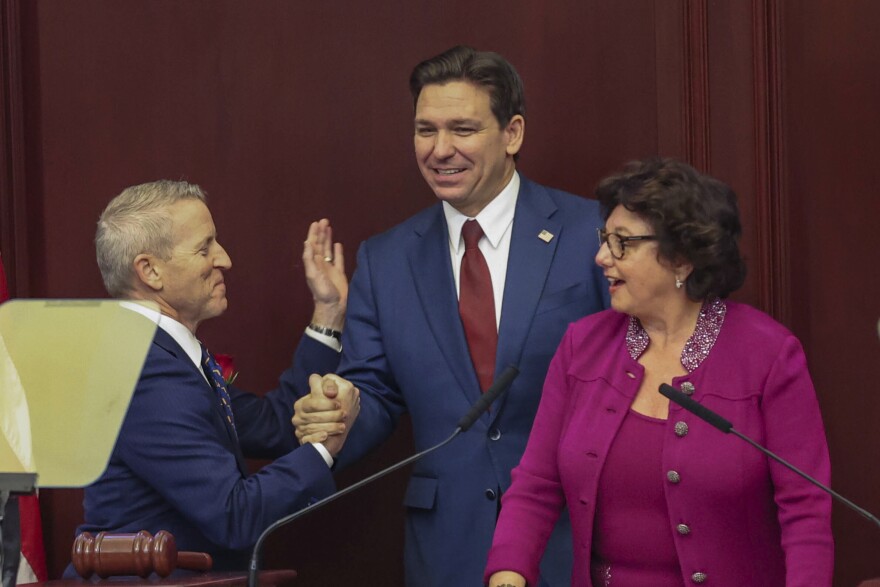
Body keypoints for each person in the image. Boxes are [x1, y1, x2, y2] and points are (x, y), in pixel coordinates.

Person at [293, 46, 608, 586]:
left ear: (512, 134)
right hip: (448, 547)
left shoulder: (590, 232)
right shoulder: (386, 258)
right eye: (425, 130)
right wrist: (341, 414)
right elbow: (376, 392)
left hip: (574, 535)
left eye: (462, 129)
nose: (440, 150)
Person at [484, 158, 833, 587]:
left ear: (682, 258)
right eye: (604, 239)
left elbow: (806, 511)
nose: (600, 257)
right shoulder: (582, 347)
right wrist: (508, 575)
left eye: (622, 243)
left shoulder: (769, 355)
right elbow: (536, 486)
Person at [68, 180, 358, 574]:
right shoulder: (142, 367)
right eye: (205, 247)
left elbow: (277, 426)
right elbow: (234, 515)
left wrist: (328, 312)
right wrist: (326, 447)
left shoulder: (162, 356)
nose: (224, 259)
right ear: (150, 271)